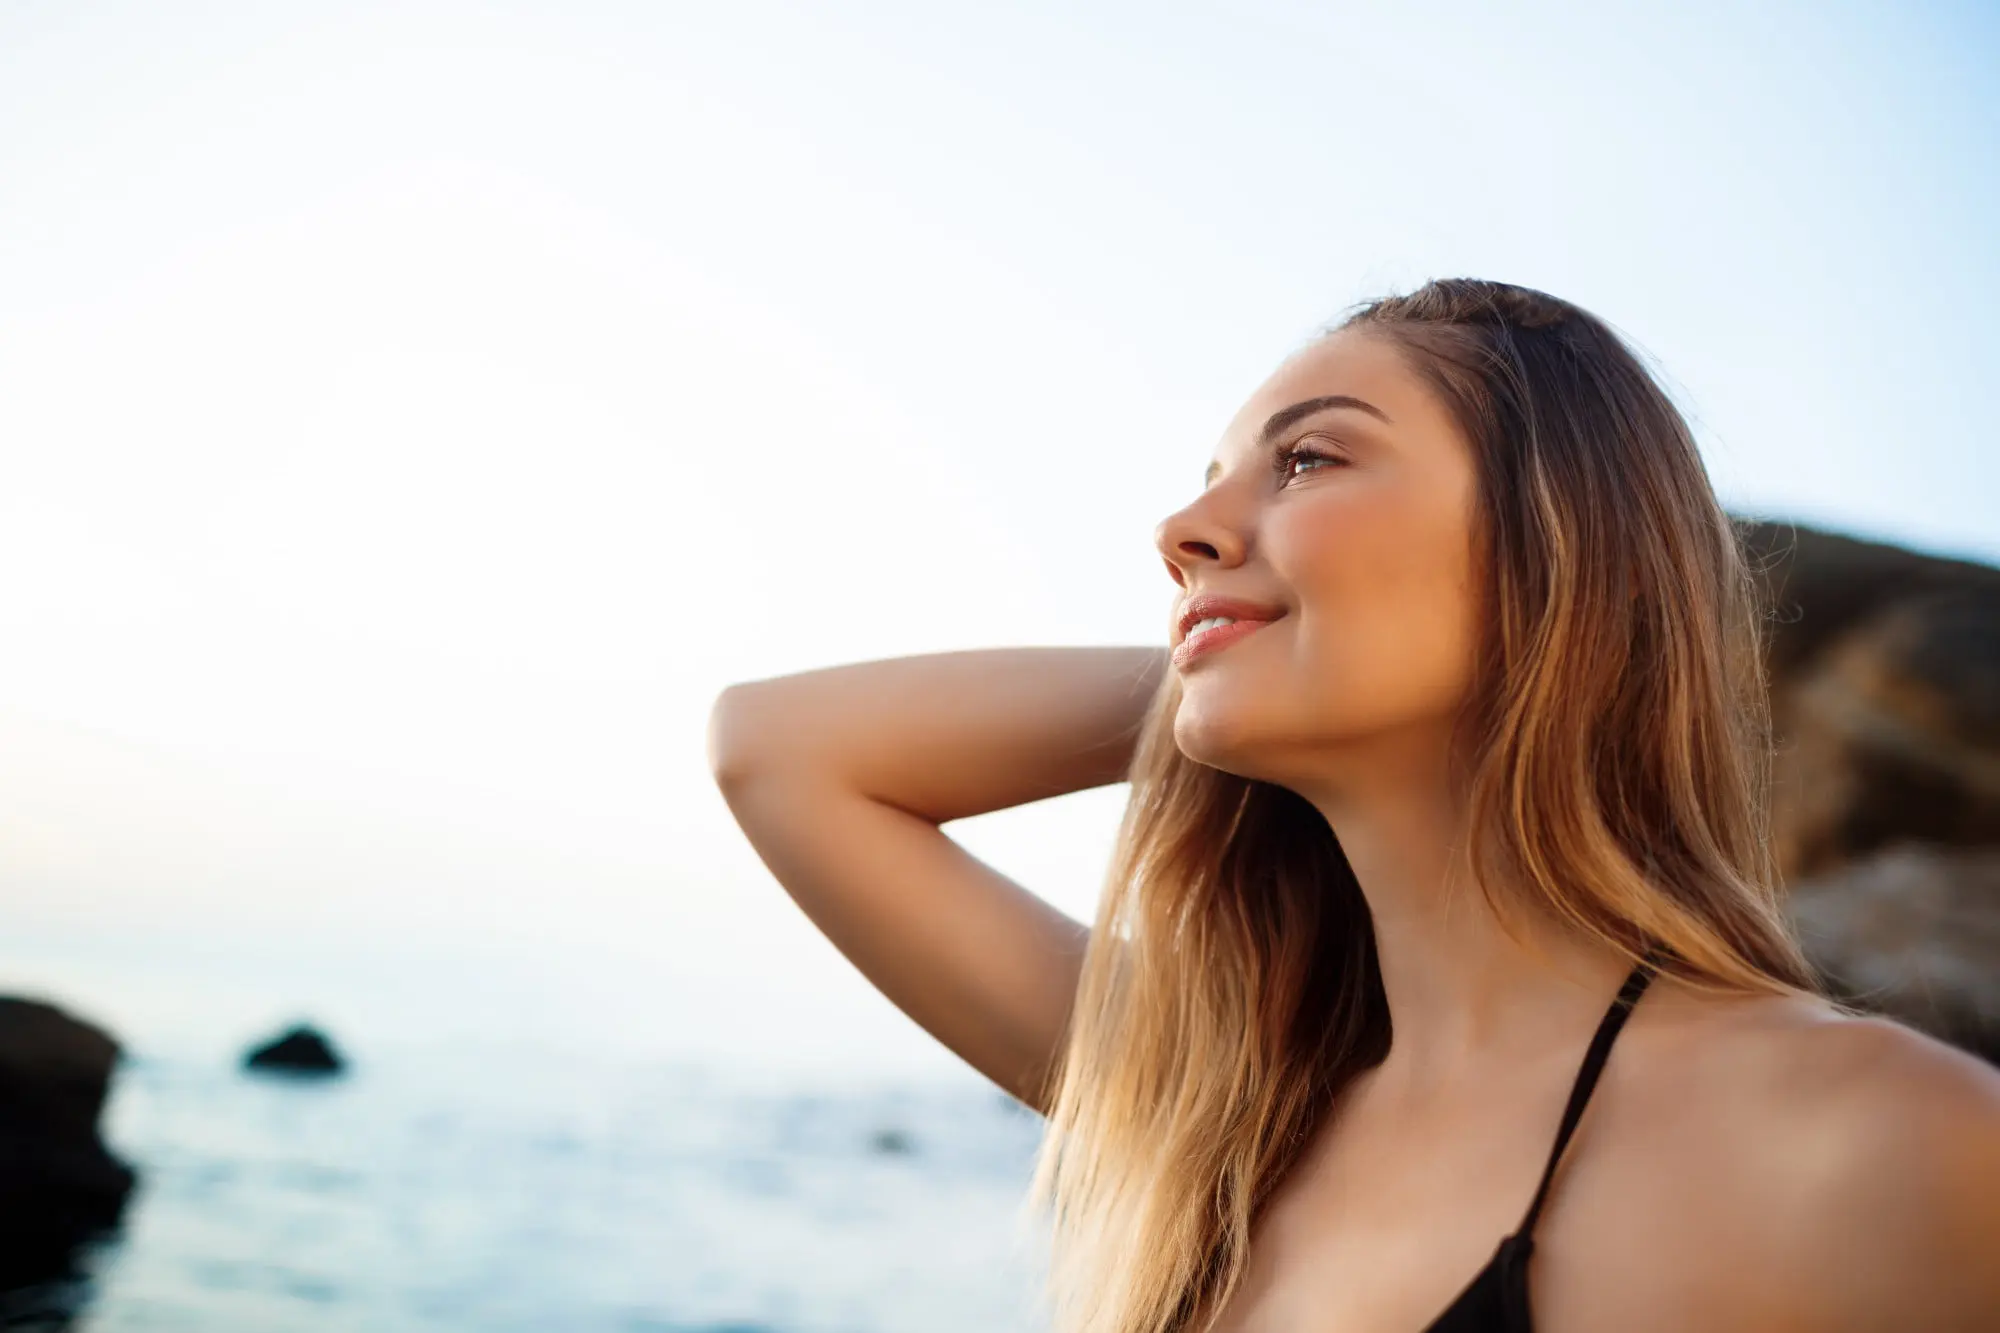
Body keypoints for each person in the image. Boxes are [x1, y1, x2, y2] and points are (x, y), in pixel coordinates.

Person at [706, 278, 2000, 1332]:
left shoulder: (1886, 1147)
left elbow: (788, 754)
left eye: (1309, 458)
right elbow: (776, 746)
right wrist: (1246, 658)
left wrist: (1281, 651)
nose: (1182, 525)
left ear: (1552, 557)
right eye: (1213, 475)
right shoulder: (1224, 1106)